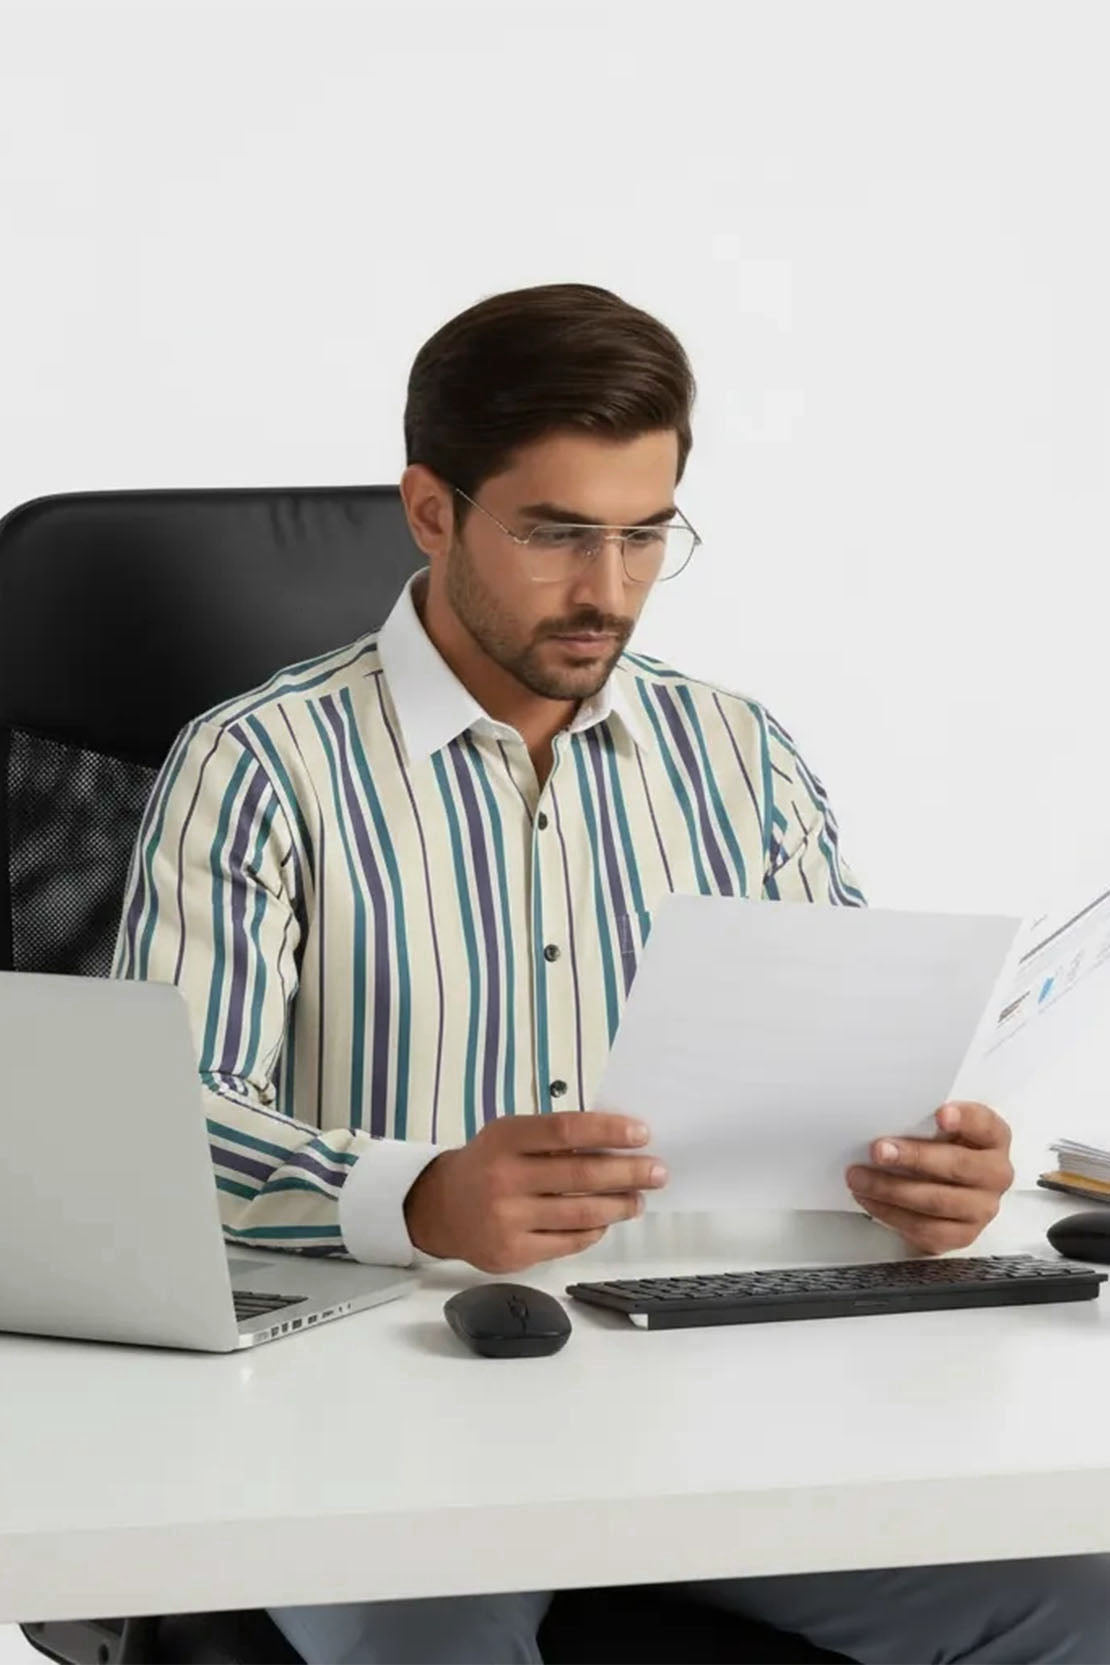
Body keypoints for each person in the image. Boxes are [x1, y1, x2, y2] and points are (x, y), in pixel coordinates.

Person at [112, 282, 1108, 1663]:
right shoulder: (258, 765)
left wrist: (925, 1171)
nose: (608, 591)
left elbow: (855, 1067)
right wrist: (421, 1193)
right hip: (374, 1410)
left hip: (711, 1384)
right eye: (557, 534)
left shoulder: (740, 757)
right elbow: (154, 1129)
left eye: (646, 536)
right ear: (430, 511)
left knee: (1077, 1602)